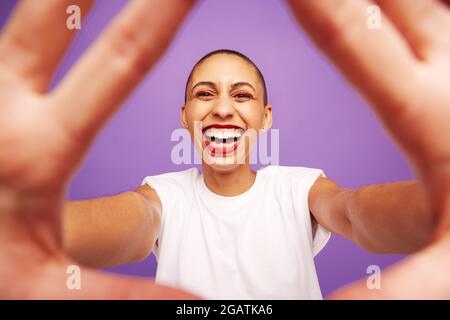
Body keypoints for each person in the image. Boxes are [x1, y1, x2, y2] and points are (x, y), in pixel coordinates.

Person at [0, 0, 448, 299]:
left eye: (242, 95)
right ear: (185, 116)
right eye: (204, 93)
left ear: (266, 117)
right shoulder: (163, 196)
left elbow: (352, 212)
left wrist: (438, 205)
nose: (222, 109)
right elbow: (133, 223)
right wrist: (20, 227)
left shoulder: (299, 187)